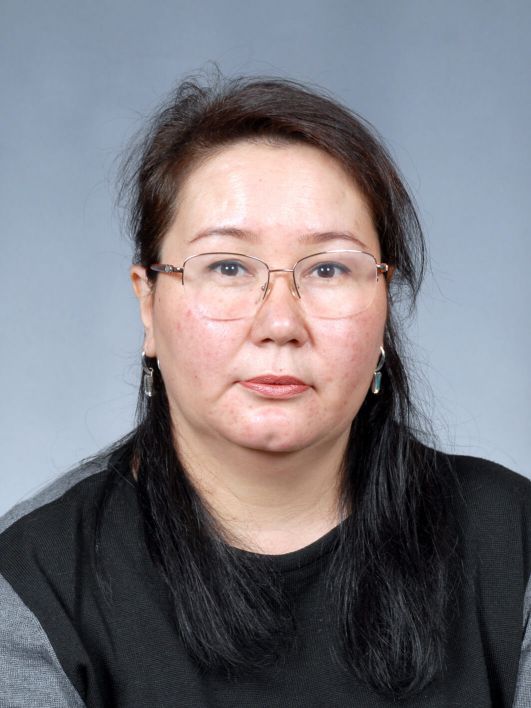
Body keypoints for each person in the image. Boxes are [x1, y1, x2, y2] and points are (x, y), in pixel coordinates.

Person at [0, 73, 530, 708]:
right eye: (227, 267)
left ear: (384, 307)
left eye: (329, 268)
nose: (280, 323)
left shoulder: (512, 541)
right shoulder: (35, 577)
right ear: (149, 304)